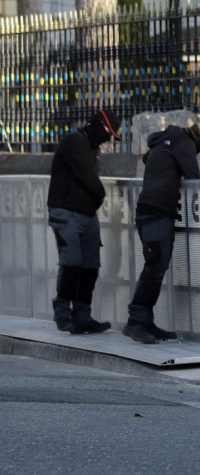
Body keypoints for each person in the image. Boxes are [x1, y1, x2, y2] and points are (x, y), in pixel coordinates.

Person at [123, 119, 200, 344]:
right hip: (156, 214)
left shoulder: (164, 142)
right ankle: (136, 320)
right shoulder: (183, 142)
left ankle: (145, 321)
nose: (198, 153)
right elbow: (194, 177)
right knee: (154, 267)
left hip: (152, 212)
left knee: (155, 267)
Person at [47, 109, 122, 334]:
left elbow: (90, 182)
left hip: (87, 215)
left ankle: (82, 315)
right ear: (99, 125)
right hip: (65, 213)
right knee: (71, 262)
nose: (109, 137)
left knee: (90, 265)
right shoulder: (74, 142)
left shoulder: (93, 148)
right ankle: (62, 313)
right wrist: (100, 194)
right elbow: (89, 179)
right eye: (108, 131)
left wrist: (95, 199)